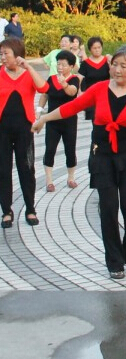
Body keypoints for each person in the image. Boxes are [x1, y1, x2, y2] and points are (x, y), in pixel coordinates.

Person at [32, 47, 126, 279]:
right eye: (115, 65)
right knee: (108, 209)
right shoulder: (100, 89)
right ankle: (114, 260)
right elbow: (72, 107)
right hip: (102, 155)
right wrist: (44, 117)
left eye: (124, 66)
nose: (118, 70)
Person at [0, 38, 48, 228]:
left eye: (6, 54)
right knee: (3, 170)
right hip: (2, 130)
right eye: (1, 54)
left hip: (24, 129)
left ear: (17, 55)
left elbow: (44, 88)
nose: (3, 57)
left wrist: (29, 67)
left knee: (26, 169)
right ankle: (6, 211)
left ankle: (30, 209)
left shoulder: (28, 74)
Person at [40, 50, 80, 192]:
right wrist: (39, 110)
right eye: (58, 64)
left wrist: (64, 85)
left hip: (69, 121)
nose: (60, 67)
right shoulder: (51, 79)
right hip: (52, 121)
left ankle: (71, 177)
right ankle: (49, 180)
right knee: (50, 149)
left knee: (70, 149)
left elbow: (73, 92)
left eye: (63, 64)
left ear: (71, 66)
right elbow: (45, 95)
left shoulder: (74, 79)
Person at [78, 37, 111, 121]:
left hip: (106, 94)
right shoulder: (85, 63)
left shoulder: (107, 61)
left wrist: (110, 63)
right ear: (90, 49)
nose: (97, 50)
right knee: (95, 120)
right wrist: (80, 93)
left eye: (99, 47)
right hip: (91, 95)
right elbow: (79, 78)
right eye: (94, 48)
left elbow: (114, 76)